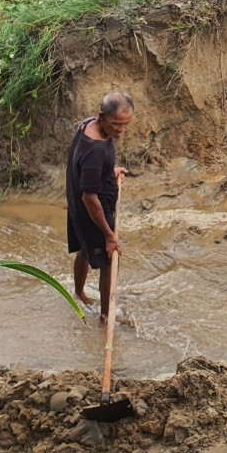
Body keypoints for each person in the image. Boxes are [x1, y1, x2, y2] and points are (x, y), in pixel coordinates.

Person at [66, 92, 133, 324]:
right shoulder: (96, 149)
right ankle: (106, 317)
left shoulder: (87, 126)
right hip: (91, 212)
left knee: (84, 250)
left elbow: (85, 170)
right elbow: (90, 198)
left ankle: (79, 293)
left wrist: (107, 174)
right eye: (116, 124)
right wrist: (109, 235)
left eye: (126, 124)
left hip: (76, 204)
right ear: (102, 117)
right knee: (109, 259)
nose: (121, 130)